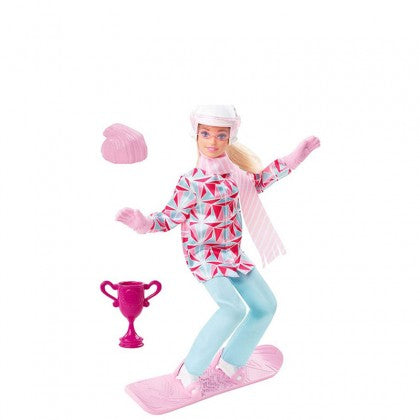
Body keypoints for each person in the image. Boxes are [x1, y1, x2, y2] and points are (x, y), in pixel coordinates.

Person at [116, 105, 320, 392]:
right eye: (206, 134)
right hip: (203, 255)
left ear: (230, 138)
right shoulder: (191, 182)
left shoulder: (235, 176)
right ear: (196, 135)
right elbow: (169, 217)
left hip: (231, 253)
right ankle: (189, 372)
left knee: (266, 306)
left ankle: (230, 363)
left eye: (220, 135)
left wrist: (293, 159)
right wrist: (144, 223)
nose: (212, 141)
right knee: (231, 308)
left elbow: (260, 180)